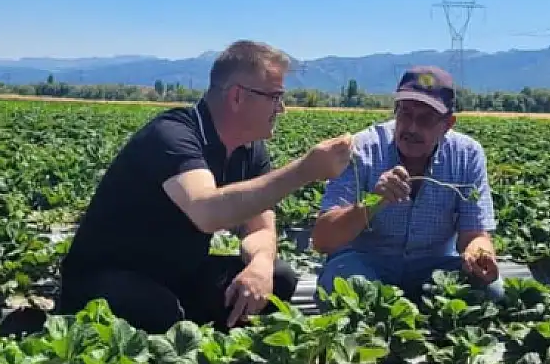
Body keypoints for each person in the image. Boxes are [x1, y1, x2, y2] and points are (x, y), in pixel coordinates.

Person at [56, 40, 354, 333]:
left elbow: (261, 229)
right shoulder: (173, 134)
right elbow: (207, 210)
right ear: (237, 96)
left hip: (178, 274)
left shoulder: (250, 151)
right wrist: (305, 170)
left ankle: (199, 335)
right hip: (108, 276)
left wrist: (261, 264)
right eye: (275, 97)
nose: (282, 108)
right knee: (158, 311)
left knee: (279, 279)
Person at [311, 66, 502, 304]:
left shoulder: (467, 154)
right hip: (365, 264)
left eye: (425, 119)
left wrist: (479, 252)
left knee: (491, 291)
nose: (412, 128)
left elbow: (474, 234)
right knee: (342, 287)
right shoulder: (360, 149)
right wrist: (373, 202)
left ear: (448, 123)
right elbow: (323, 240)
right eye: (405, 113)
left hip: (435, 268)